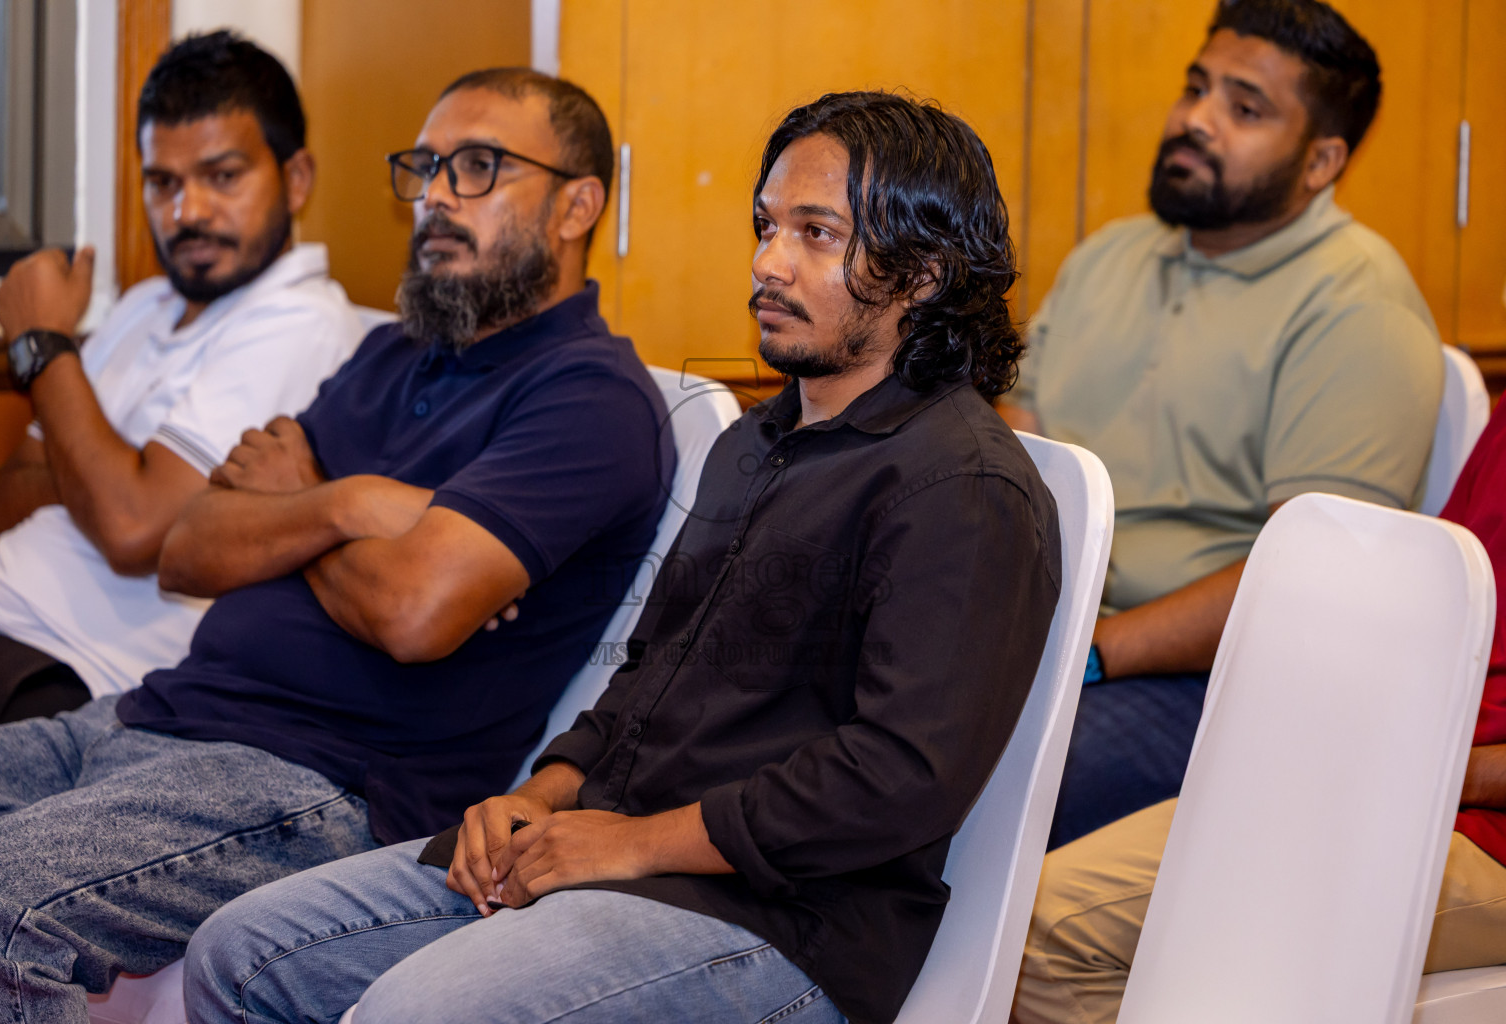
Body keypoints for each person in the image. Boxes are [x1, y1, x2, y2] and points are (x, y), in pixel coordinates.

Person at [182, 90, 1059, 1024]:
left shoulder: (963, 486)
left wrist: (631, 845)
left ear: (923, 272)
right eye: (767, 225)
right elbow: (649, 677)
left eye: (816, 232)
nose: (767, 260)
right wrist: (543, 793)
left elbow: (897, 780)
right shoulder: (755, 441)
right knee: (239, 957)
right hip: (612, 854)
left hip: (784, 923)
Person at [0, 67, 671, 1022]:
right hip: (148, 717)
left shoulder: (591, 399)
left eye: (477, 168)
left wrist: (298, 499)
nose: (434, 196)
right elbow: (189, 546)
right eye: (425, 168)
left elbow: (411, 612)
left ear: (577, 204)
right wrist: (355, 508)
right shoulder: (390, 354)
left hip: (320, 780)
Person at [1000, 0, 1444, 848]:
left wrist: (1091, 653)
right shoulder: (1110, 257)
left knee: (984, 792)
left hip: (1220, 681)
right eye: (1196, 88)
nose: (1195, 120)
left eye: (1245, 109)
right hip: (1058, 630)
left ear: (1322, 161)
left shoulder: (1358, 305)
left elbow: (1310, 577)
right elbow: (1023, 445)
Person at [1012, 388, 1506, 1024]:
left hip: (1471, 824)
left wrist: (1439, 773)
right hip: (1396, 775)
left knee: (1046, 935)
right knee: (1029, 908)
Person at [0, 31, 363, 727]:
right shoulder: (141, 305)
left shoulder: (298, 323)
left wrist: (39, 345)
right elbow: (2, 510)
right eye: (164, 183)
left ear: (296, 178)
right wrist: (112, 470)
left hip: (69, 677)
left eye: (223, 176)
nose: (188, 213)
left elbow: (128, 530)